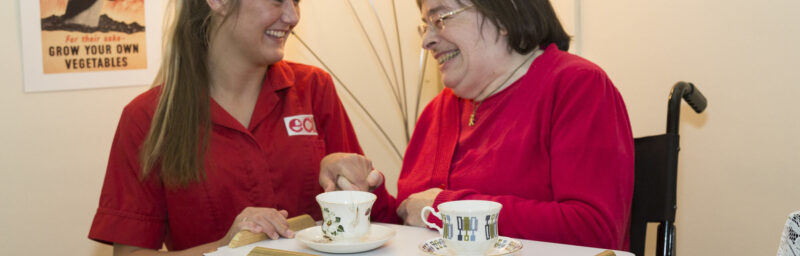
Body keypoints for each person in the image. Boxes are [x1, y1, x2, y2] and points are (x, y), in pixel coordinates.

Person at [319, 0, 634, 251]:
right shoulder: (436, 111)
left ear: (504, 13)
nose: (427, 40)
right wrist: (364, 198)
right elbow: (412, 224)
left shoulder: (577, 86)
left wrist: (446, 210)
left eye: (440, 18)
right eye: (424, 25)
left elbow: (594, 232)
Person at [88, 0, 365, 254]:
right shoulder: (147, 119)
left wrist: (365, 189)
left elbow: (374, 218)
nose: (292, 17)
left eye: (296, 2)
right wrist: (225, 249)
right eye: (278, 0)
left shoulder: (314, 90)